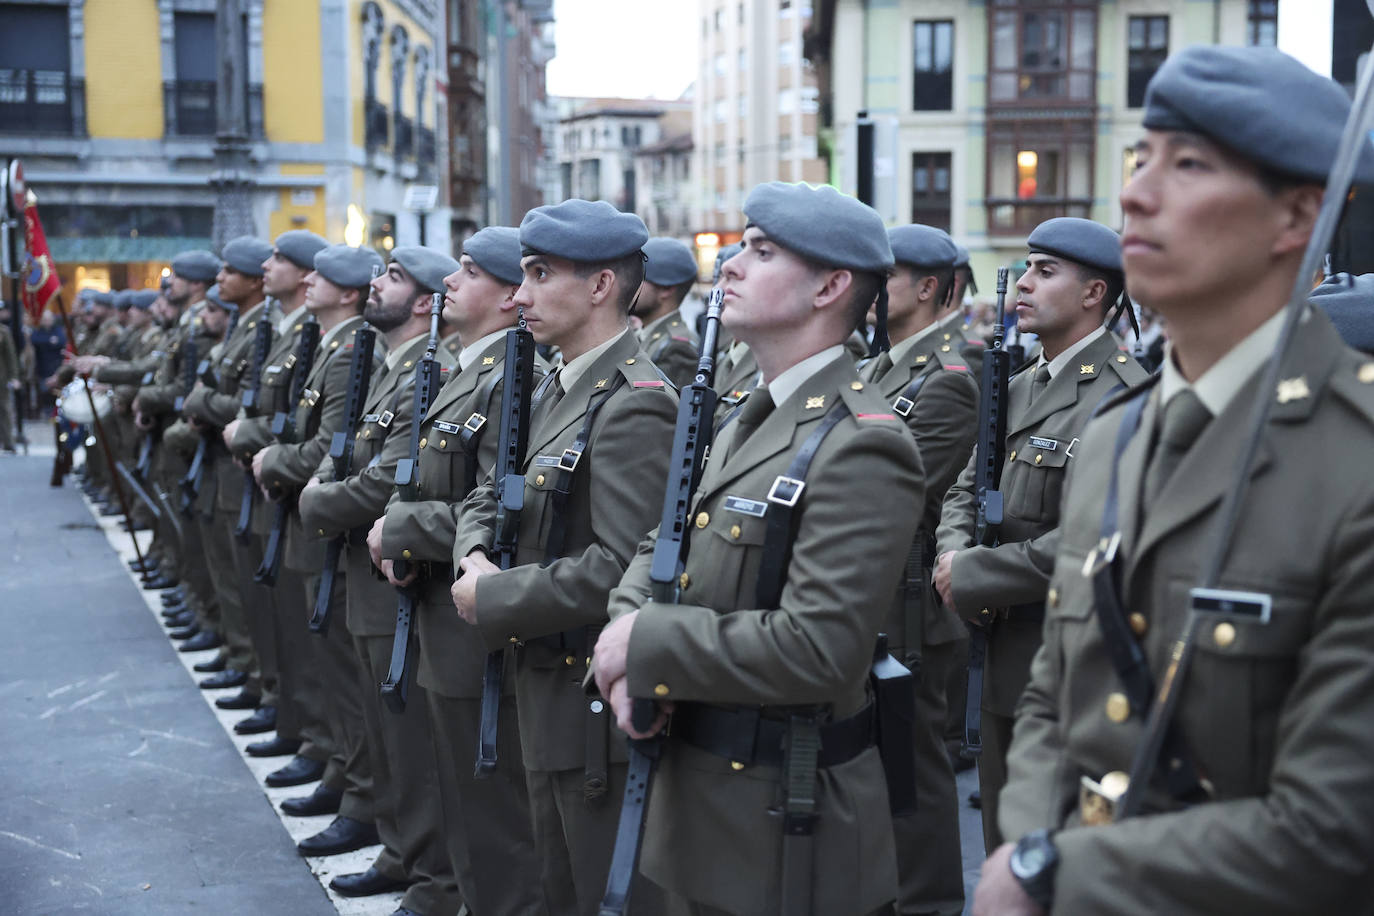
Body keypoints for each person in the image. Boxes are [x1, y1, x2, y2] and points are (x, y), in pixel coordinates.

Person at [975, 45, 1374, 916]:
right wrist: (1031, 841)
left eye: (1188, 164)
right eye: (1141, 159)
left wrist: (1053, 874)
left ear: (1297, 215)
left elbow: (1336, 828)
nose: (1137, 193)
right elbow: (1052, 695)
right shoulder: (1119, 436)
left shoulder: (1356, 467)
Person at [593, 181, 924, 915]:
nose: (733, 265)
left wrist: (644, 641)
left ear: (830, 287)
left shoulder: (863, 442)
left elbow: (819, 648)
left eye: (762, 251)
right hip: (702, 798)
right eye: (740, 246)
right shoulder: (751, 414)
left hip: (783, 822)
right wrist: (628, 641)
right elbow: (662, 544)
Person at [449, 199, 677, 916]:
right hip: (540, 685)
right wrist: (475, 555)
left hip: (588, 709)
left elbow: (623, 565)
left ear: (601, 286)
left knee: (598, 890)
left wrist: (497, 595)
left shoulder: (637, 403)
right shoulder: (556, 381)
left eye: (540, 274)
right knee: (553, 884)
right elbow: (490, 490)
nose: (519, 296)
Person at [934, 217, 1148, 853]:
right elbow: (964, 489)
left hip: (1063, 663)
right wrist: (953, 551)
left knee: (1049, 852)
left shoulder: (1122, 397)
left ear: (1094, 295)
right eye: (1026, 269)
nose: (1022, 284)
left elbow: (1098, 538)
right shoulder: (1020, 384)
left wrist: (974, 573)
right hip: (997, 654)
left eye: (1044, 271)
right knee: (1004, 839)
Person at [368, 226, 549, 916]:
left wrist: (405, 529)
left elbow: (504, 504)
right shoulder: (469, 369)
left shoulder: (512, 378)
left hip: (475, 622)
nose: (448, 280)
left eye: (468, 271)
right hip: (440, 614)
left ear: (509, 296)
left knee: (495, 816)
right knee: (463, 800)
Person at [297, 245, 464, 915]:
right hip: (367, 568)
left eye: (393, 278)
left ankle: (431, 875)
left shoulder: (434, 370)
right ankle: (403, 851)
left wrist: (315, 498)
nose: (376, 284)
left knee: (407, 738)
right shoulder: (396, 369)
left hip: (398, 578)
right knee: (380, 724)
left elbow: (391, 476)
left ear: (424, 302)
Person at [254, 243, 388, 858]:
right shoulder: (335, 347)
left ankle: (356, 790)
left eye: (324, 274)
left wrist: (282, 466)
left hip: (332, 527)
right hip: (311, 519)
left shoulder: (352, 353)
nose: (309, 279)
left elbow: (333, 452)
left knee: (342, 668)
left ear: (352, 291)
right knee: (329, 663)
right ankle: (338, 767)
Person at [864, 223, 977, 916]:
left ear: (928, 288)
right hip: (880, 598)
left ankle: (931, 902)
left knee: (917, 768)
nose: (873, 293)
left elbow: (899, 494)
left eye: (887, 278)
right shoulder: (881, 369)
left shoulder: (948, 381)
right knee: (881, 765)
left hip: (912, 608)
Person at [634, 237, 701, 388]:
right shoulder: (645, 334)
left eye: (638, 279)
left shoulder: (676, 349)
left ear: (666, 289)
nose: (628, 286)